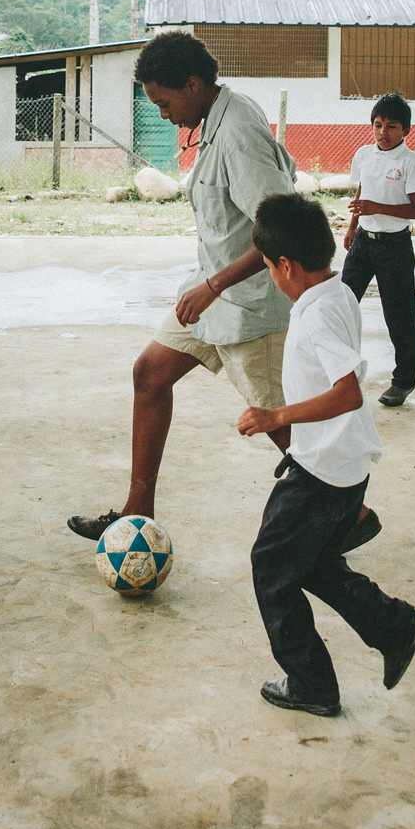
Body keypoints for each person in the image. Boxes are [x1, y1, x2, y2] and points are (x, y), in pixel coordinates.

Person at [69, 31, 305, 540]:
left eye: (164, 101)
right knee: (150, 374)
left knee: (282, 424)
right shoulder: (220, 116)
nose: (161, 113)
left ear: (193, 85)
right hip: (213, 293)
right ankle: (137, 513)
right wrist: (210, 285)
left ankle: (350, 512)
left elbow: (284, 228)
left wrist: (215, 285)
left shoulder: (237, 130)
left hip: (248, 304)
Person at [237, 193, 415, 717]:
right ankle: (394, 625)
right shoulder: (337, 291)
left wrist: (277, 417)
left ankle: (311, 684)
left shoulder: (317, 316)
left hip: (318, 474)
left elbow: (348, 392)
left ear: (286, 265)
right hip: (344, 468)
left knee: (271, 567)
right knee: (313, 563)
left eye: (271, 268)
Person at [344, 94, 415, 408]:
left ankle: (403, 382)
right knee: (342, 303)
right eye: (378, 125)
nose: (383, 132)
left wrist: (374, 207)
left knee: (400, 317)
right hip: (364, 242)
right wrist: (353, 226)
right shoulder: (364, 154)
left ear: (405, 129)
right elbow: (361, 191)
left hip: (395, 248)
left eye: (391, 126)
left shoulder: (412, 162)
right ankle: (336, 372)